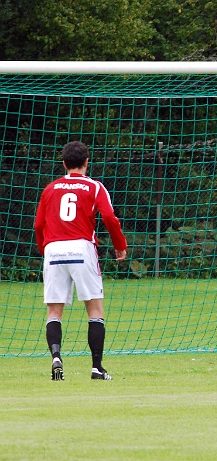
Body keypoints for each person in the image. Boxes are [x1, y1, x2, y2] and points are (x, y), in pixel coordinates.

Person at [34, 141, 128, 381]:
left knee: (54, 311)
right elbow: (109, 217)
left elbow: (38, 224)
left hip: (54, 249)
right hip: (81, 247)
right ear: (87, 162)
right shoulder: (94, 187)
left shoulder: (50, 189)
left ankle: (56, 357)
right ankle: (97, 368)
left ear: (64, 163)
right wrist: (119, 245)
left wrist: (45, 249)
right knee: (94, 308)